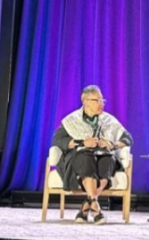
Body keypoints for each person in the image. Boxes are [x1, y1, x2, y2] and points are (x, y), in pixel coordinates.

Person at [52, 85, 133, 225]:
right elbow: (57, 140)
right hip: (80, 156)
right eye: (97, 100)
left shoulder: (108, 120)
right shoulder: (72, 120)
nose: (101, 104)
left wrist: (112, 144)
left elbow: (128, 139)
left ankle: (88, 204)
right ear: (85, 101)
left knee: (107, 160)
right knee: (87, 157)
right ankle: (95, 207)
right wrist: (82, 142)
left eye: (102, 100)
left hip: (103, 155)